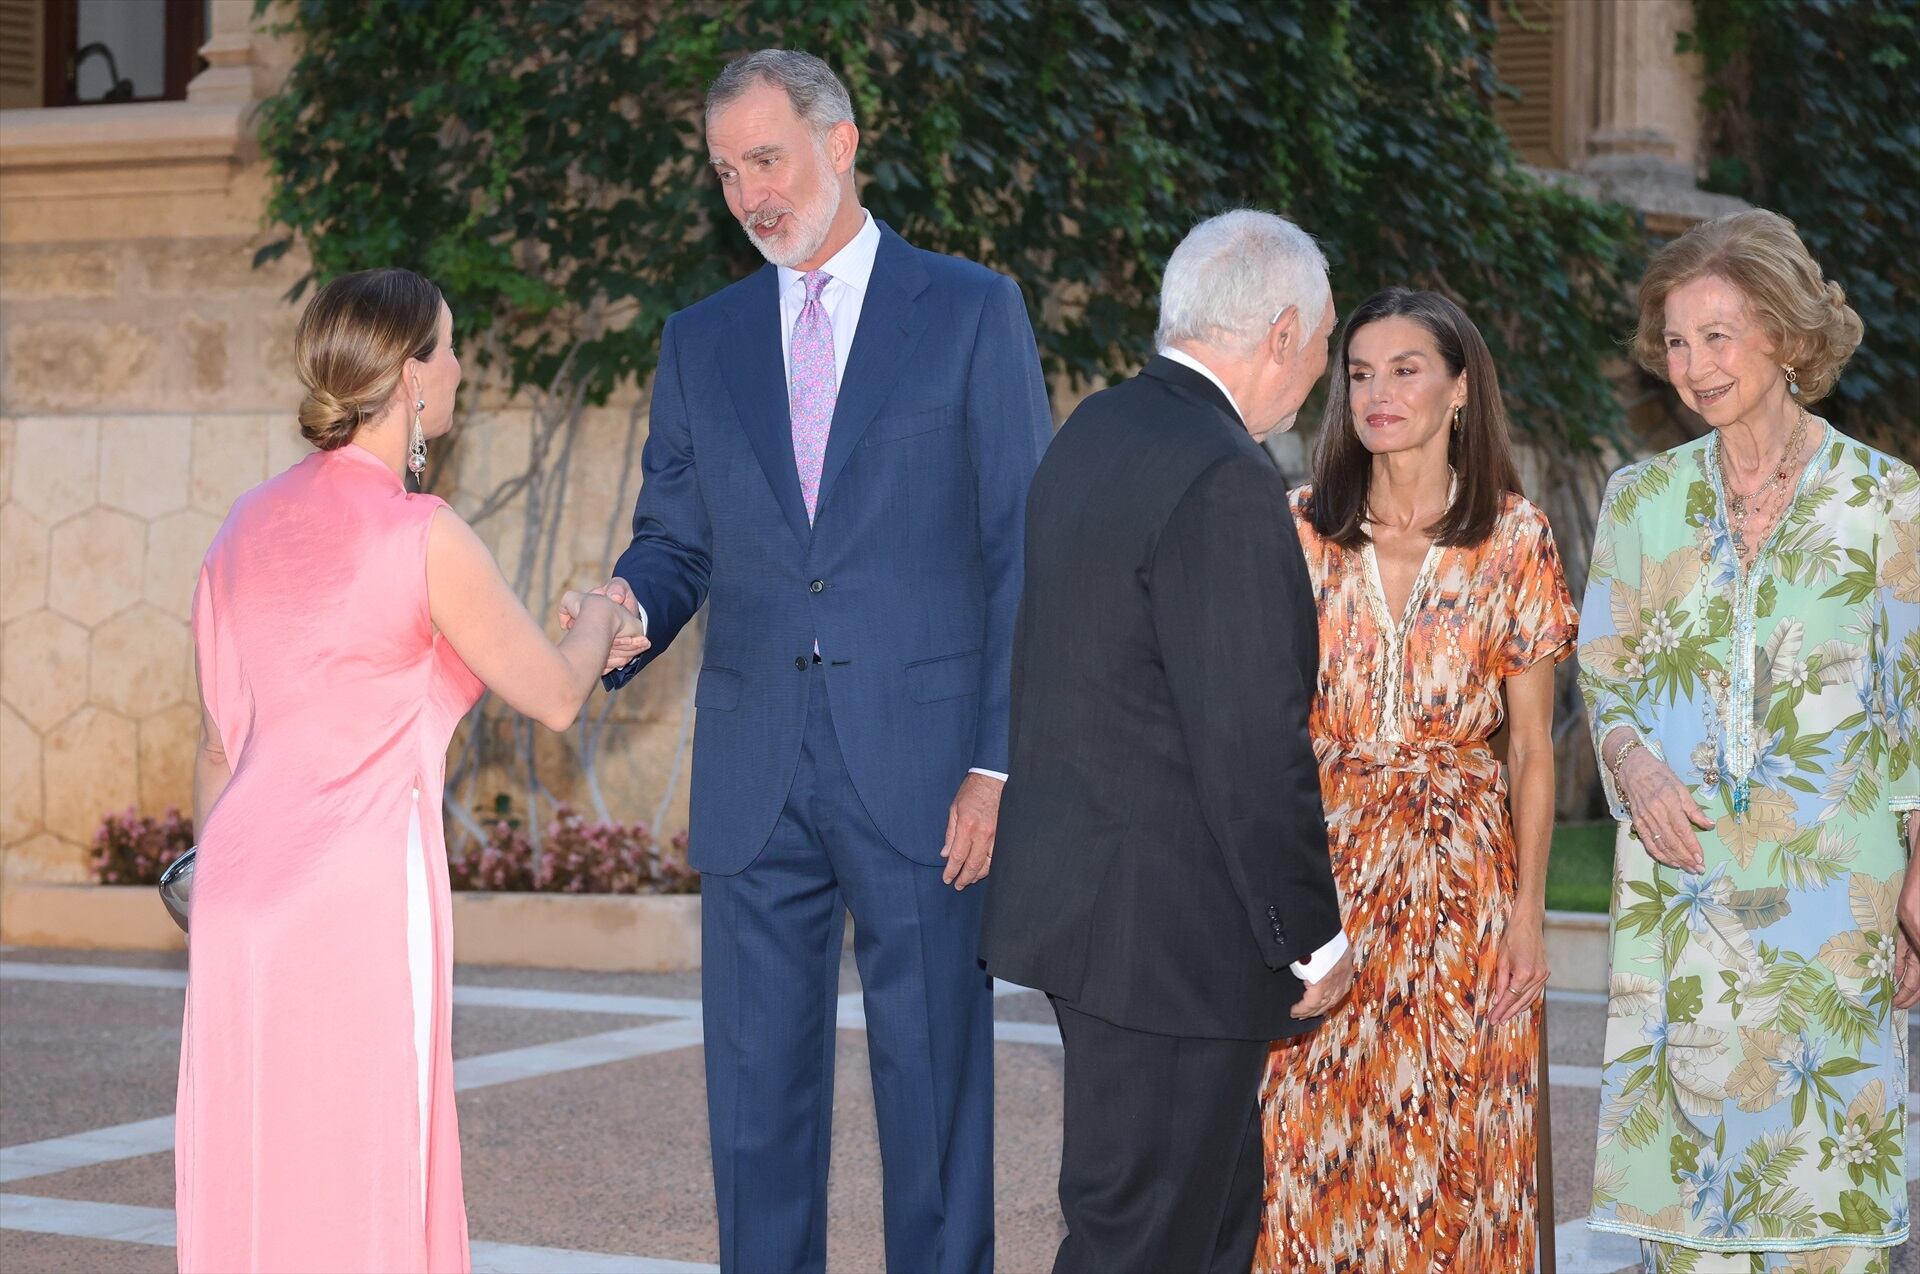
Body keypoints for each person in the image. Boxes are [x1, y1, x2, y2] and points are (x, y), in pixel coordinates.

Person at [568, 49, 1051, 1274]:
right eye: (727, 173)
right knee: (754, 1111)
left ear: (840, 145)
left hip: (929, 769)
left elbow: (1021, 551)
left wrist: (998, 760)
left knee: (934, 1101)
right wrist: (632, 607)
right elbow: (677, 537)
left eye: (766, 160)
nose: (749, 194)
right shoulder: (702, 339)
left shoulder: (972, 308)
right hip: (754, 770)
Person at [177, 268, 642, 1272]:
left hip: (236, 890)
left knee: (257, 1155)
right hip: (359, 895)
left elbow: (220, 744)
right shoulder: (422, 533)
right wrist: (603, 609)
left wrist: (210, 880)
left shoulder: (241, 526)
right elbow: (557, 694)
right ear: (409, 381)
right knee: (369, 1158)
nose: (462, 363)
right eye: (447, 344)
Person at [978, 209, 1352, 1274]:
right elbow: (1248, 736)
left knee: (1204, 1219)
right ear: (1282, 331)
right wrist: (1311, 935)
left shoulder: (1098, 427)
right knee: (1144, 1238)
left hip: (1097, 916)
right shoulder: (1223, 472)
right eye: (1324, 350)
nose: (1317, 378)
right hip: (1170, 937)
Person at [1579, 209, 1918, 1273]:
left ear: (1786, 335)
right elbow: (1604, 673)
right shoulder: (1641, 500)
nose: (1695, 365)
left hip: (1835, 910)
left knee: (1826, 1215)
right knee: (1696, 1221)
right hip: (1684, 903)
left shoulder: (1887, 504)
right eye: (1677, 342)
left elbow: (1913, 704)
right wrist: (1633, 767)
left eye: (1719, 335)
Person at [1253, 288, 1578, 1272]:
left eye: (1405, 369)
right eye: (1359, 372)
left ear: (1459, 387)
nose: (1377, 391)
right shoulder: (1296, 527)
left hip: (1465, 885)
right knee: (1308, 1134)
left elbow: (1531, 750)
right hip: (1330, 871)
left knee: (1457, 1136)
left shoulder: (1514, 536)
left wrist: (1528, 915)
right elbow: (1263, 723)